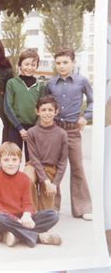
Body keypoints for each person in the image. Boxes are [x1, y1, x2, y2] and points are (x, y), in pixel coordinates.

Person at [45, 47, 93, 221]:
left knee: (78, 168)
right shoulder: (50, 84)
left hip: (73, 130)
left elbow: (93, 101)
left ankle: (83, 207)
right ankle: (52, 207)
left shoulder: (82, 81)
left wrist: (86, 116)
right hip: (56, 129)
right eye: (58, 63)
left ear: (73, 62)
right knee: (54, 167)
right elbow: (44, 104)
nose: (62, 66)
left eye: (65, 62)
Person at [0, 142, 62, 248]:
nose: (11, 163)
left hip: (23, 218)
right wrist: (17, 220)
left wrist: (27, 215)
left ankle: (14, 235)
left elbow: (28, 202)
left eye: (14, 159)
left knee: (53, 215)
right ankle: (39, 237)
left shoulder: (24, 178)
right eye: (6, 160)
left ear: (20, 161)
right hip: (6, 219)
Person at [23, 96, 68, 211]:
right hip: (33, 165)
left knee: (47, 213)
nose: (46, 113)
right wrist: (46, 180)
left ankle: (44, 211)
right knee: (27, 179)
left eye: (50, 110)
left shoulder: (61, 134)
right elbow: (34, 158)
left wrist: (54, 184)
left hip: (50, 168)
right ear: (37, 112)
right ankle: (31, 210)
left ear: (56, 112)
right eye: (43, 110)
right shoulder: (32, 132)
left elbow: (62, 162)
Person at [4, 49, 46, 161]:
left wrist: (35, 127)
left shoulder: (40, 86)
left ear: (37, 66)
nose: (29, 67)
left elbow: (42, 108)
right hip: (15, 127)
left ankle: (29, 179)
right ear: (20, 65)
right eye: (26, 64)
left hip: (33, 128)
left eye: (33, 65)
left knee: (32, 160)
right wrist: (20, 128)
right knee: (13, 158)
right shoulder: (12, 83)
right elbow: (8, 107)